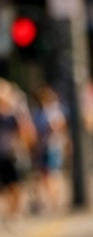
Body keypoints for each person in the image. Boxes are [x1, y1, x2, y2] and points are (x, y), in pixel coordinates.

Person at [29, 85, 69, 213]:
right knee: (44, 174)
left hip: (52, 146)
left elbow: (58, 126)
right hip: (42, 146)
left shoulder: (53, 110)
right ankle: (50, 200)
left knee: (52, 173)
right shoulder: (38, 112)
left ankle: (54, 200)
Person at [0, 80, 34, 222]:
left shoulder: (15, 113)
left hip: (13, 154)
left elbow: (27, 132)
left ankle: (15, 213)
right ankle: (10, 211)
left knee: (16, 185)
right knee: (6, 187)